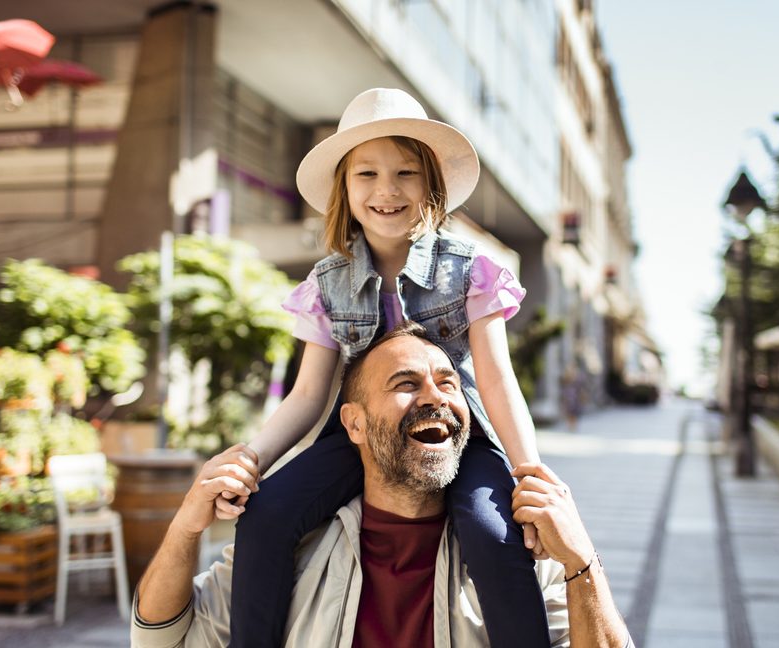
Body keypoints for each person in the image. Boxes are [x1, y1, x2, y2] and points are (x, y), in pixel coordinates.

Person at [225, 88, 550, 647]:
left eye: (406, 173)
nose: (386, 191)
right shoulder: (325, 285)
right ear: (344, 190)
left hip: (457, 436)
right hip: (364, 438)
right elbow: (305, 397)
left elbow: (497, 380)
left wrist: (531, 476)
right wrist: (248, 461)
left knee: (494, 533)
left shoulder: (471, 270)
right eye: (367, 174)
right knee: (265, 517)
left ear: (431, 184)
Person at [132, 322, 632, 647]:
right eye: (406, 384)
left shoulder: (519, 555)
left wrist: (582, 562)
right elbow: (160, 641)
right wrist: (185, 529)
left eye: (450, 383)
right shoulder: (290, 551)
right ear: (352, 425)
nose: (435, 397)